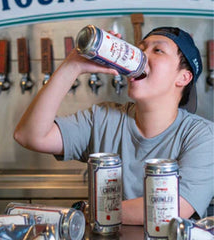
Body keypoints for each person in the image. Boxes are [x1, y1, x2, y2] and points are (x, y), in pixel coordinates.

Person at [14, 26, 214, 225]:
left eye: (157, 50)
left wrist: (87, 212)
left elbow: (173, 208)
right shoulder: (103, 118)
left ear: (183, 78)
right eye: (141, 48)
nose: (142, 55)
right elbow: (30, 136)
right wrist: (72, 66)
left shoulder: (202, 136)